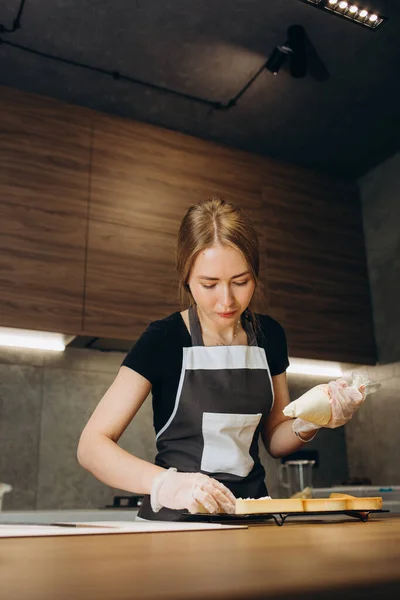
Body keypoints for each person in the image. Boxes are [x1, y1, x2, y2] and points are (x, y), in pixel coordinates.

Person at [77, 197, 365, 521]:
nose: (227, 300)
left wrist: (314, 418)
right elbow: (91, 446)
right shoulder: (163, 339)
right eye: (209, 284)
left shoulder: (270, 336)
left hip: (253, 518)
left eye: (241, 282)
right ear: (186, 277)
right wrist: (166, 484)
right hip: (177, 525)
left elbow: (275, 439)